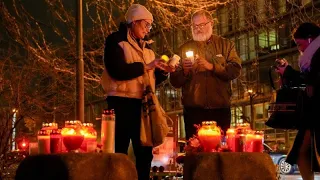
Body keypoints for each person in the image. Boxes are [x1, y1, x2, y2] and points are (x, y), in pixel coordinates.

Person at [101, 4, 174, 180]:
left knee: (144, 152)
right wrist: (147, 66)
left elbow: (151, 78)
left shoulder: (148, 49)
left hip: (143, 105)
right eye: (145, 25)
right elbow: (117, 71)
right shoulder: (115, 40)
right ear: (133, 22)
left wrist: (163, 71)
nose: (148, 30)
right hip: (121, 104)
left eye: (150, 26)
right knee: (120, 150)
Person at [170, 10, 242, 140]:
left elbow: (235, 69)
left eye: (202, 25)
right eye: (195, 26)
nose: (198, 29)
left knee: (220, 150)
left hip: (220, 109)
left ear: (211, 23)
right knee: (194, 150)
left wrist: (212, 67)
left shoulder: (225, 45)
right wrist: (185, 72)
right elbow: (174, 81)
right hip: (193, 111)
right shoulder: (183, 48)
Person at [275, 22, 320, 180]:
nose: (298, 49)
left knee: (303, 152)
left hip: (315, 114)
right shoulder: (311, 58)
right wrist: (287, 74)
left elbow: (313, 80)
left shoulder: (318, 54)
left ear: (309, 39)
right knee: (301, 152)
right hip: (311, 115)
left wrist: (289, 72)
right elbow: (306, 82)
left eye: (299, 44)